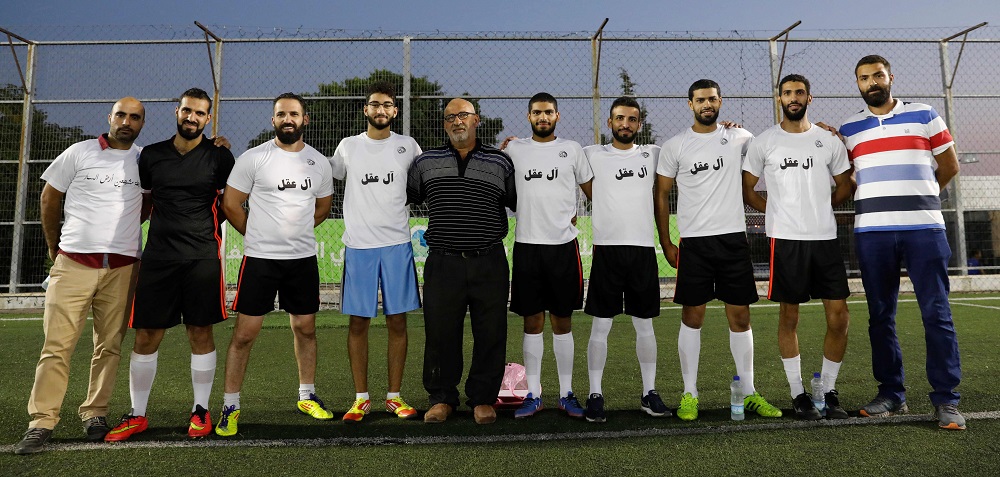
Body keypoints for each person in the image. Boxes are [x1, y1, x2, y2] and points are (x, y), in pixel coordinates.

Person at [838, 55, 965, 429]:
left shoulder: (925, 115)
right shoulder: (849, 129)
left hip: (924, 230)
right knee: (880, 316)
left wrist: (921, 198)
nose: (872, 82)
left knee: (936, 314)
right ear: (858, 84)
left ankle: (946, 400)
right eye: (864, 78)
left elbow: (950, 166)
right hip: (872, 232)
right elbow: (846, 177)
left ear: (890, 77)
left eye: (877, 75)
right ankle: (891, 393)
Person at [15, 98, 146, 455]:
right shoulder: (79, 152)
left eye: (135, 117)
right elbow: (49, 198)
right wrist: (54, 246)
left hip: (122, 267)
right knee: (56, 347)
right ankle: (41, 421)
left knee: (109, 346)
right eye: (121, 114)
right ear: (110, 117)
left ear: (142, 124)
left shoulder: (144, 159)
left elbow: (148, 204)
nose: (127, 121)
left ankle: (95, 412)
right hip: (73, 263)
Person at [104, 88, 236, 441]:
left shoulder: (220, 157)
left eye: (200, 113)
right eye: (187, 111)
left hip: (202, 257)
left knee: (200, 332)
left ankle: (201, 410)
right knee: (147, 334)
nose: (192, 118)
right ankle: (137, 413)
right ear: (177, 111)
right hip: (158, 257)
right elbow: (144, 203)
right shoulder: (151, 156)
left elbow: (231, 203)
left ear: (208, 119)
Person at [654, 79, 782, 421]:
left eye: (711, 99)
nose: (706, 104)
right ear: (690, 104)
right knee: (692, 317)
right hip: (694, 243)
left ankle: (749, 391)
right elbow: (661, 194)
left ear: (720, 101)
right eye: (700, 100)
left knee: (740, 317)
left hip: (732, 240)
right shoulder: (675, 146)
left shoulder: (741, 138)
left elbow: (771, 153)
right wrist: (666, 241)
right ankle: (689, 394)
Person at [215, 92, 335, 436]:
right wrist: (257, 234)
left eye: (293, 114)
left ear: (304, 120)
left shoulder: (318, 163)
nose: (287, 119)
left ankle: (306, 394)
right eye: (281, 114)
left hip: (302, 261)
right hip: (260, 261)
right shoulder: (254, 158)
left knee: (306, 329)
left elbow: (323, 208)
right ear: (273, 121)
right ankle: (230, 405)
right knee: (244, 335)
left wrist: (293, 233)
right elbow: (232, 204)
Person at [741, 74, 852, 420]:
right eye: (787, 92)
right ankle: (799, 393)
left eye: (799, 92)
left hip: (825, 239)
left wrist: (820, 204)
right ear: (779, 98)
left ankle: (828, 391)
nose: (793, 97)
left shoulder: (828, 140)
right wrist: (776, 211)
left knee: (839, 317)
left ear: (809, 97)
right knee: (789, 315)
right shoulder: (764, 142)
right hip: (785, 241)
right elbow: (748, 191)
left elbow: (846, 184)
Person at [406, 98, 516, 425]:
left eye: (463, 115)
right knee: (440, 333)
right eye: (451, 117)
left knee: (491, 332)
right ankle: (442, 398)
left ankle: (483, 398)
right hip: (443, 262)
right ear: (444, 125)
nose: (457, 122)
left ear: (476, 120)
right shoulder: (426, 162)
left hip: (489, 260)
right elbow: (405, 199)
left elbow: (519, 200)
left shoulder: (500, 162)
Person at [329, 82, 422, 423]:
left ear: (394, 111)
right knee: (359, 322)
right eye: (374, 105)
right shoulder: (349, 146)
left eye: (387, 105)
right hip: (360, 247)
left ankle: (395, 397)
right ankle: (361, 398)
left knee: (398, 321)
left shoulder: (408, 146)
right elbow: (327, 172)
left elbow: (425, 180)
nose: (380, 110)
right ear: (365, 110)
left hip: (397, 244)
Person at [504, 92, 593, 419]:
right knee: (532, 321)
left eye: (549, 112)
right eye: (537, 113)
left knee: (562, 321)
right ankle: (534, 394)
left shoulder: (572, 149)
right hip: (527, 246)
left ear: (557, 116)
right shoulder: (514, 148)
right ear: (529, 116)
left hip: (563, 248)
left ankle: (567, 393)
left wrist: (576, 214)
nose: (543, 117)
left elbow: (592, 191)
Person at [582, 96, 669, 423]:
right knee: (600, 325)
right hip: (607, 250)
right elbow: (561, 170)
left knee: (644, 324)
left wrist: (731, 128)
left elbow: (687, 156)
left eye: (632, 119)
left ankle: (649, 392)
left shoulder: (653, 153)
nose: (626, 124)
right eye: (620, 118)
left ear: (639, 124)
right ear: (610, 123)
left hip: (642, 250)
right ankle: (595, 393)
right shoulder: (592, 155)